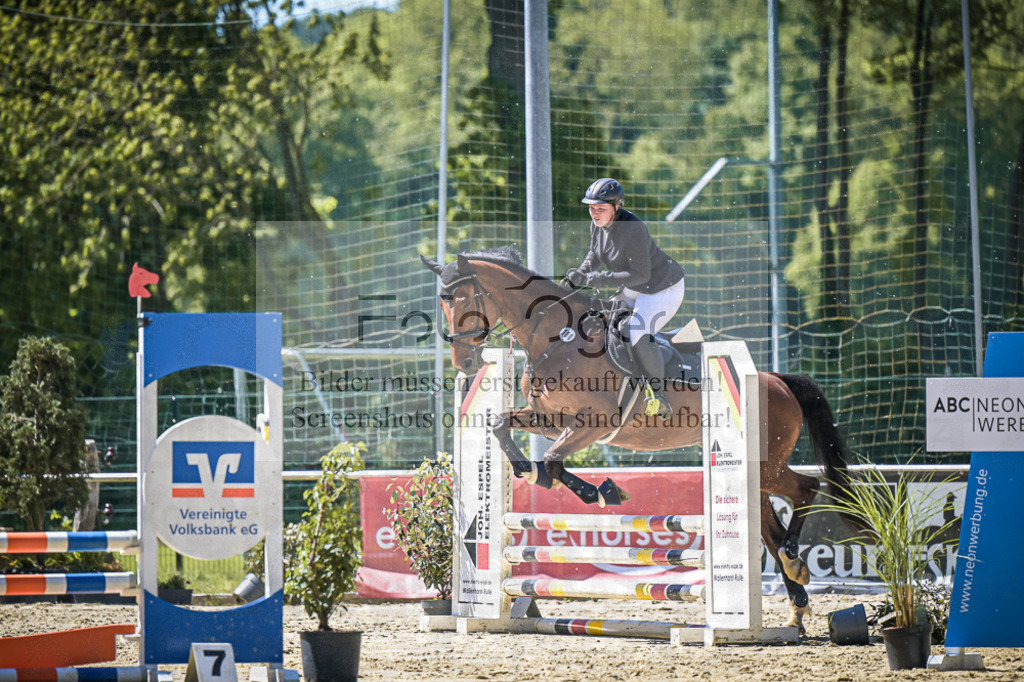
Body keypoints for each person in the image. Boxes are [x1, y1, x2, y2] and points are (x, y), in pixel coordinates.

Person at [565, 177, 685, 419]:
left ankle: (659, 396)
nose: (594, 213)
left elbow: (640, 274)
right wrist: (583, 270)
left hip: (662, 288)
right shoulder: (597, 224)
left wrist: (599, 278)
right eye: (591, 208)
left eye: (600, 209)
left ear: (616, 207)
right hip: (636, 286)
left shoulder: (634, 228)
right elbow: (595, 252)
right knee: (603, 321)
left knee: (635, 330)